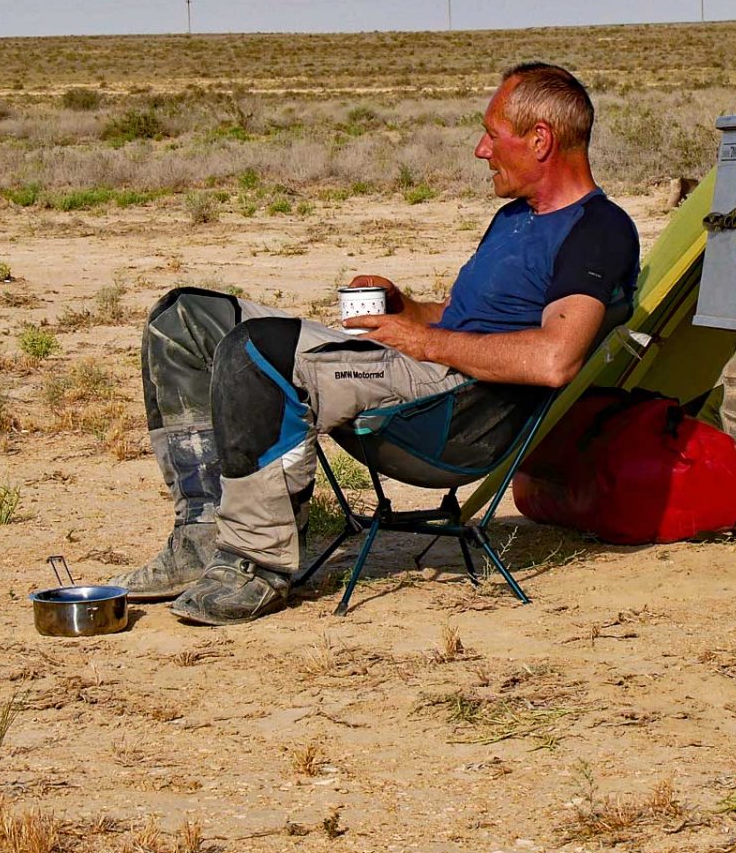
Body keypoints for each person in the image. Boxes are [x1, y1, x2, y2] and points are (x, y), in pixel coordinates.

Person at [110, 62, 639, 625]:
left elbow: (555, 358)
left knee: (256, 351)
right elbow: (466, 319)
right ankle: (199, 537)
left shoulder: (597, 231)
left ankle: (256, 563)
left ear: (540, 140)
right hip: (421, 366)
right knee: (185, 319)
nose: (481, 150)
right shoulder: (516, 217)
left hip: (452, 409)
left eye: (492, 134)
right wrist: (404, 308)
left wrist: (424, 341)